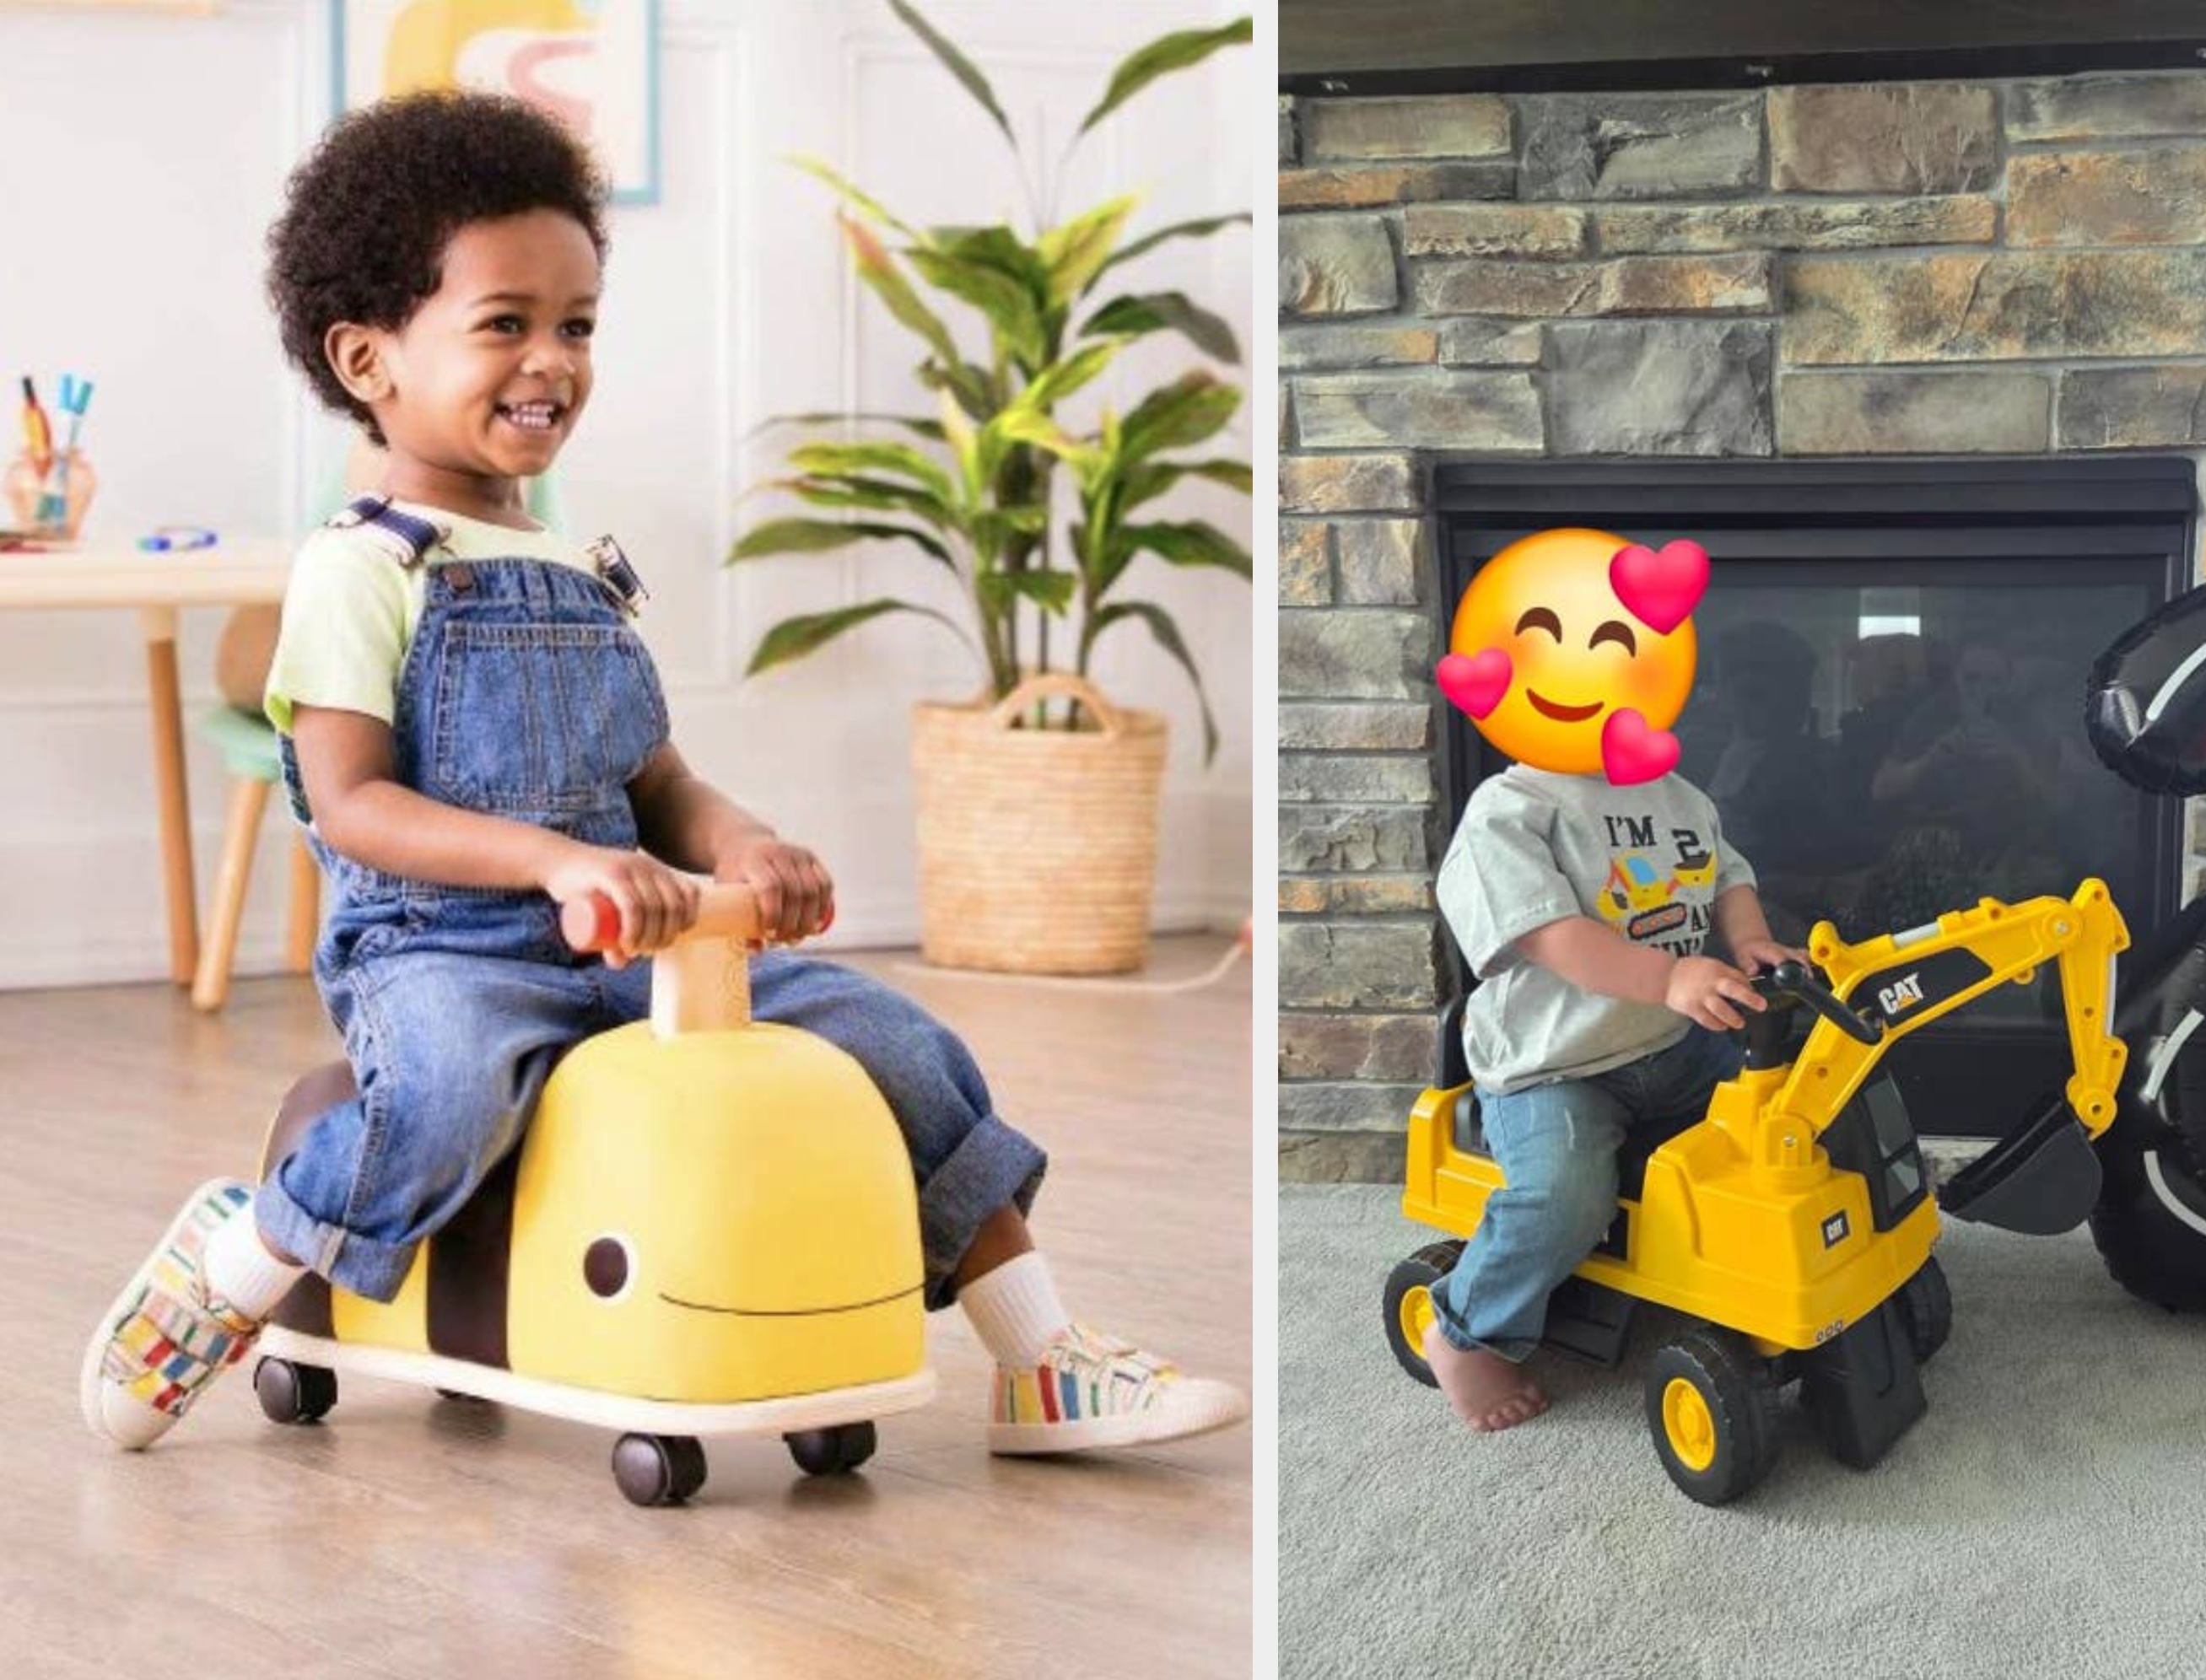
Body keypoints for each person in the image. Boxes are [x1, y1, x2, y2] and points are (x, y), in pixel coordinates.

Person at [81, 90, 1242, 1457]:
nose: (552, 359)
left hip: (638, 931)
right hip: (447, 944)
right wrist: (555, 863)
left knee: (895, 1042)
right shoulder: (361, 565)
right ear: (368, 355)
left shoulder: (585, 567)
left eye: (576, 325)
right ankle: (242, 1257)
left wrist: (738, 842)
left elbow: (656, 777)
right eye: (504, 322)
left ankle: (1039, 1355)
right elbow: (353, 805)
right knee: (447, 1090)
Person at [1427, 756, 1802, 1431]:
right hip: (1556, 1065)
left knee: (1790, 1112)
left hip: (1673, 1043)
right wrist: (1666, 979)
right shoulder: (1512, 810)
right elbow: (1555, 936)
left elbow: (1728, 876)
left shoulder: (1677, 796)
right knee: (1564, 1196)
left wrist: (1750, 940)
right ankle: (1464, 1332)